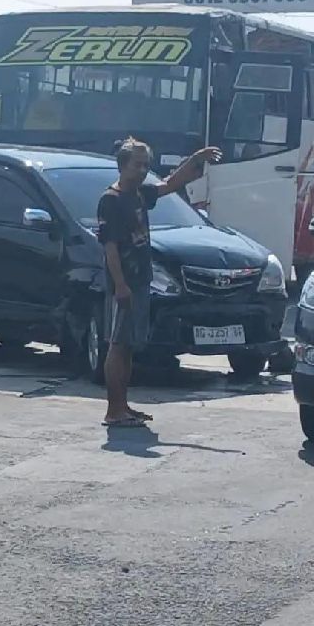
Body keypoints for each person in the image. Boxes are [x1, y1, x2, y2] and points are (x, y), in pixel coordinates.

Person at [98, 137, 222, 428]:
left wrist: (196, 158)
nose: (142, 170)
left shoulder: (140, 194)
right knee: (117, 344)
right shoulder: (111, 200)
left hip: (141, 280)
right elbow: (110, 247)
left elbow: (170, 184)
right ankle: (113, 410)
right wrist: (120, 285)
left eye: (146, 165)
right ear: (122, 165)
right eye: (137, 165)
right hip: (125, 282)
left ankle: (123, 406)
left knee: (129, 344)